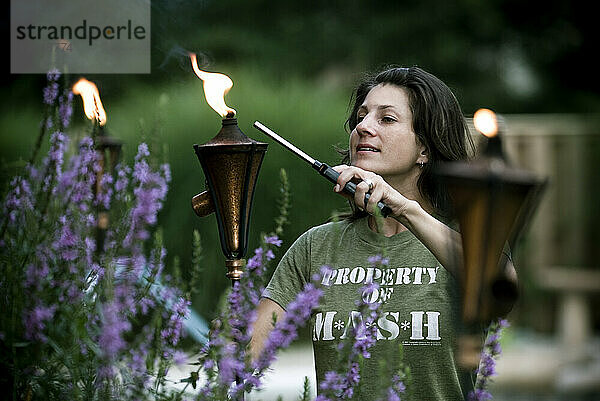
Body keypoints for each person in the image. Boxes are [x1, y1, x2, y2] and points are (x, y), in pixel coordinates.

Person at [250, 66, 516, 400]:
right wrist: (226, 341)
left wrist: (405, 208)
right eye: (361, 117)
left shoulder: (467, 236)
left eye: (386, 119)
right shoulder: (315, 246)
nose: (363, 127)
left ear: (425, 149)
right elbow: (248, 357)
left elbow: (501, 290)